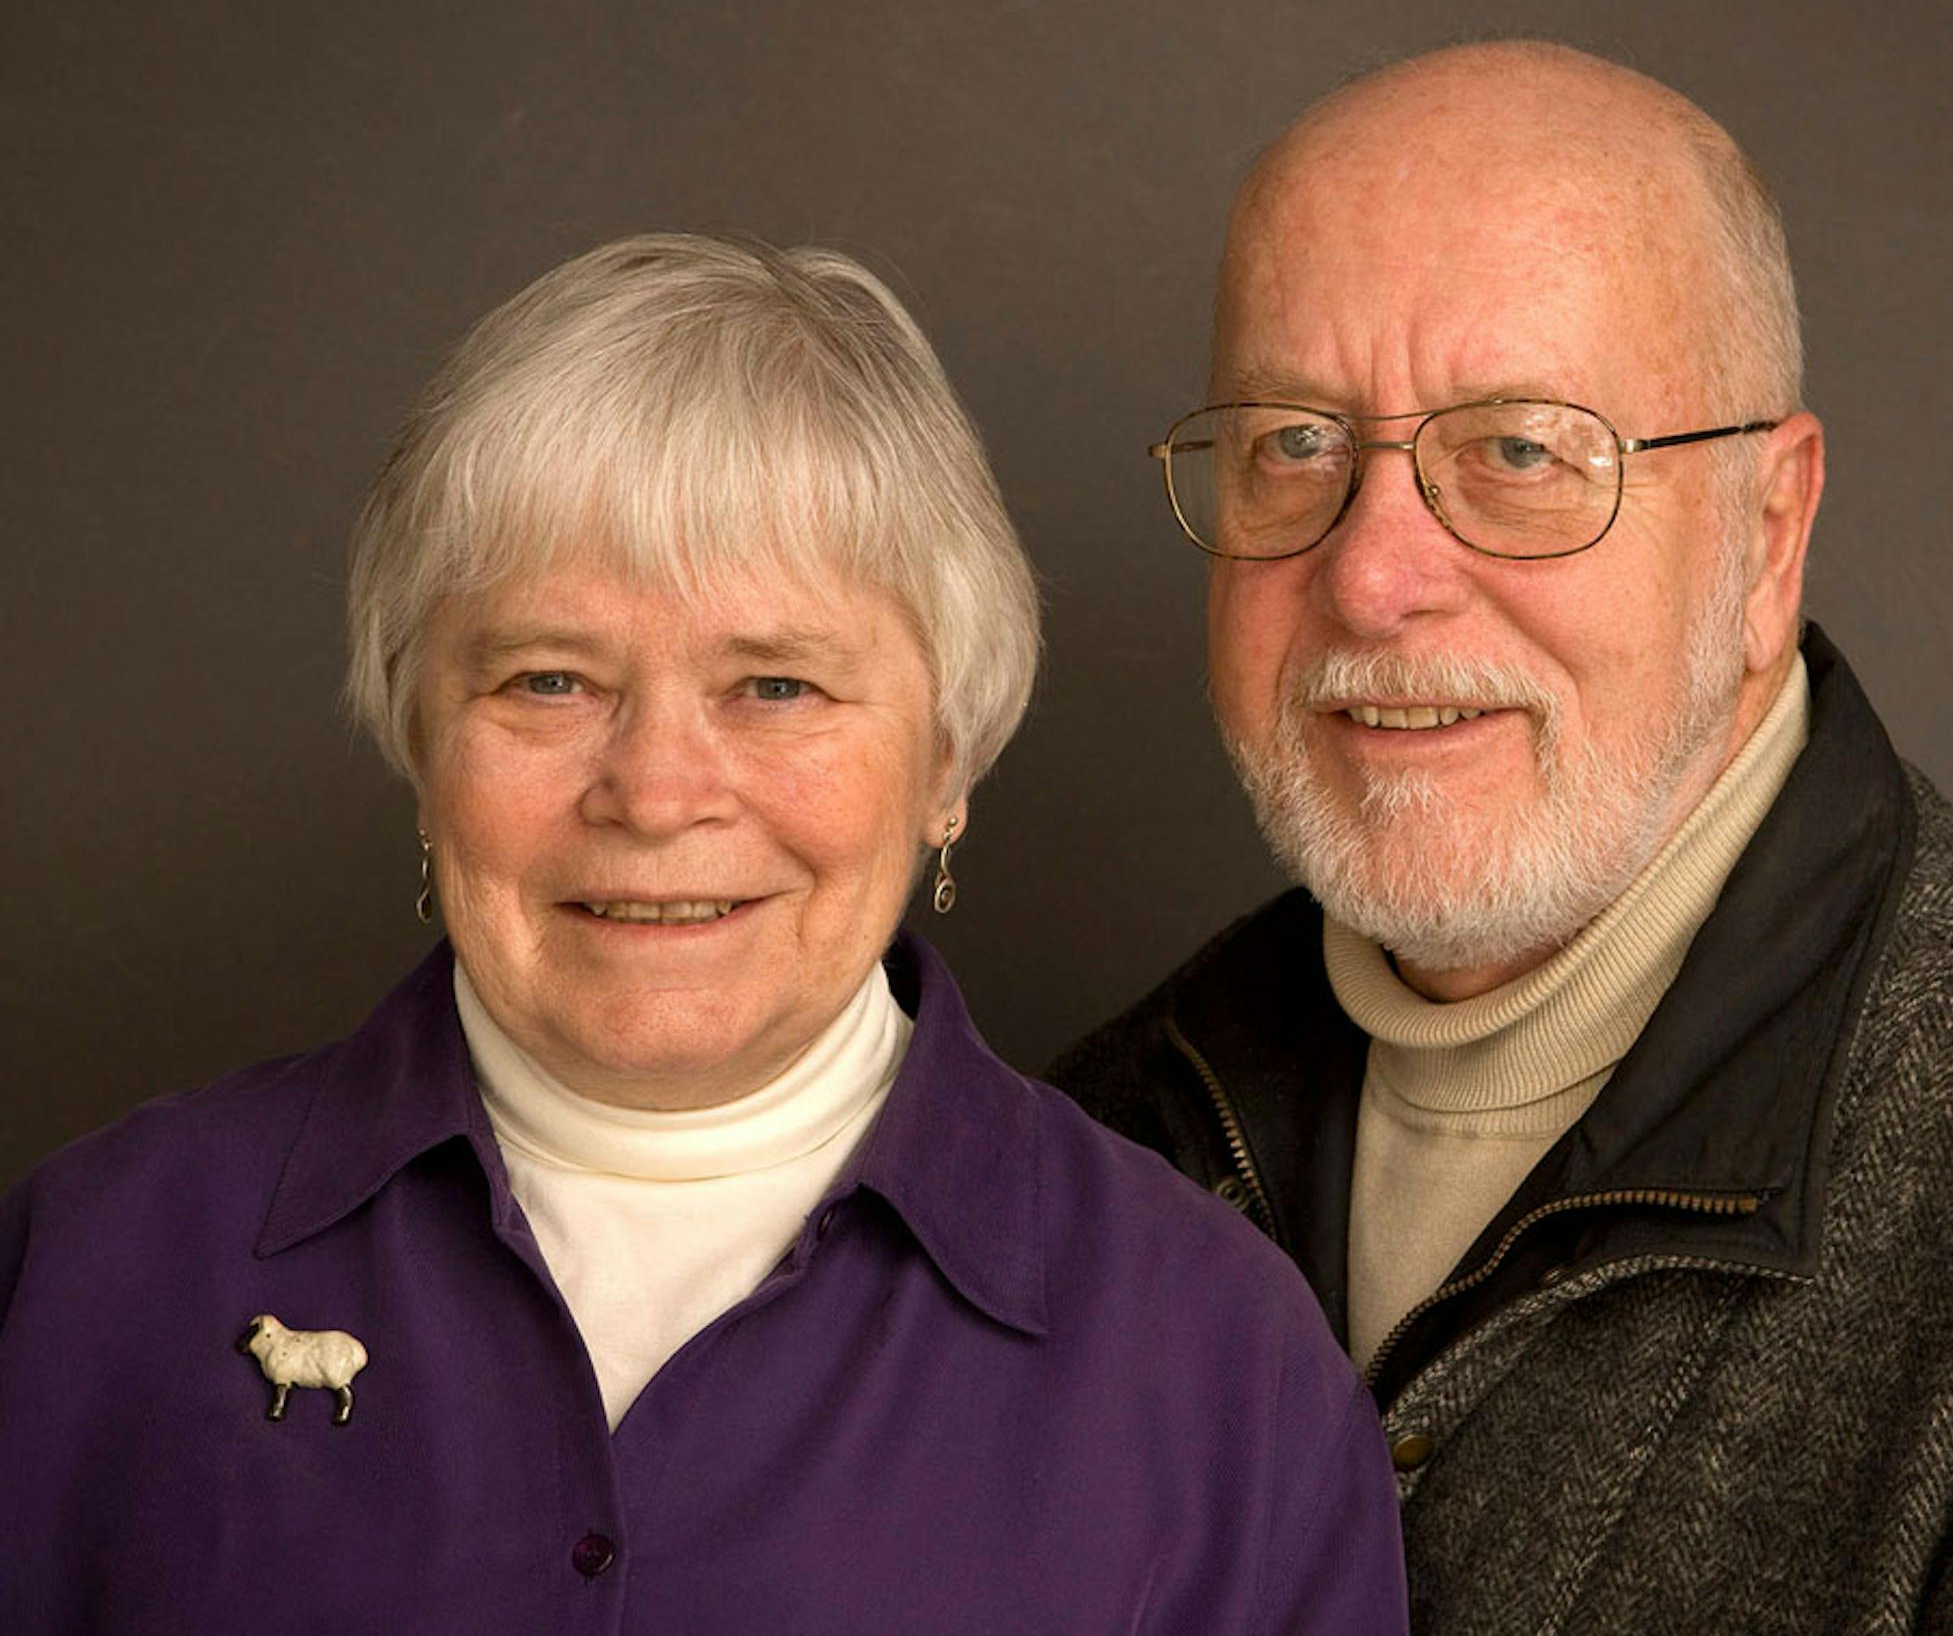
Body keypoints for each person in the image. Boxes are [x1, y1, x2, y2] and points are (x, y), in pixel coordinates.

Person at [0, 234, 1408, 1633]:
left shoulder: (1222, 1369)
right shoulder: (82, 1276)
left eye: (778, 686)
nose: (658, 795)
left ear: (947, 765)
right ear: (418, 739)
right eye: (548, 680)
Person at [1054, 42, 1953, 1631]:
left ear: (1767, 533)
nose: (1374, 579)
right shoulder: (1094, 1145)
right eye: (1296, 442)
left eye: (1518, 452)